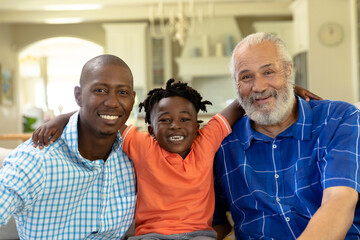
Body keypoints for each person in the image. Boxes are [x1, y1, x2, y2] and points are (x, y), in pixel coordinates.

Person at [32, 76, 318, 240]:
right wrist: (61, 117)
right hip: (150, 237)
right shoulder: (141, 145)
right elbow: (104, 115)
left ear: (198, 126)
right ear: (151, 129)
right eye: (165, 120)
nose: (176, 126)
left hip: (199, 237)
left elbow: (240, 106)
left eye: (185, 119)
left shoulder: (206, 142)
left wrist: (285, 92)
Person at [213, 32, 360, 240]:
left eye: (269, 72)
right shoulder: (223, 145)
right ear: (236, 84)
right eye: (246, 77)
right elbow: (212, 223)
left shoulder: (337, 119)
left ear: (289, 70)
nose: (259, 87)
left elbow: (339, 201)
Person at [0, 54, 137, 239]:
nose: (112, 102)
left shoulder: (135, 154)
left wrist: (67, 116)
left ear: (132, 100)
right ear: (78, 96)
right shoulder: (36, 159)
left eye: (122, 93)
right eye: (100, 90)